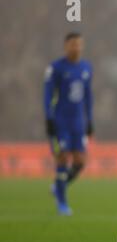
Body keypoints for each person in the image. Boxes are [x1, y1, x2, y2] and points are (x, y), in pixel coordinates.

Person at [43, 32, 94, 215]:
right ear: (66, 46)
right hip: (60, 121)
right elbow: (48, 95)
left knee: (80, 162)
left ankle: (59, 186)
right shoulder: (55, 68)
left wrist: (90, 120)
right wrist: (49, 118)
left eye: (79, 44)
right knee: (63, 158)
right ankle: (62, 203)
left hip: (78, 122)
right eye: (73, 44)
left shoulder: (86, 68)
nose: (76, 48)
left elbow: (88, 96)